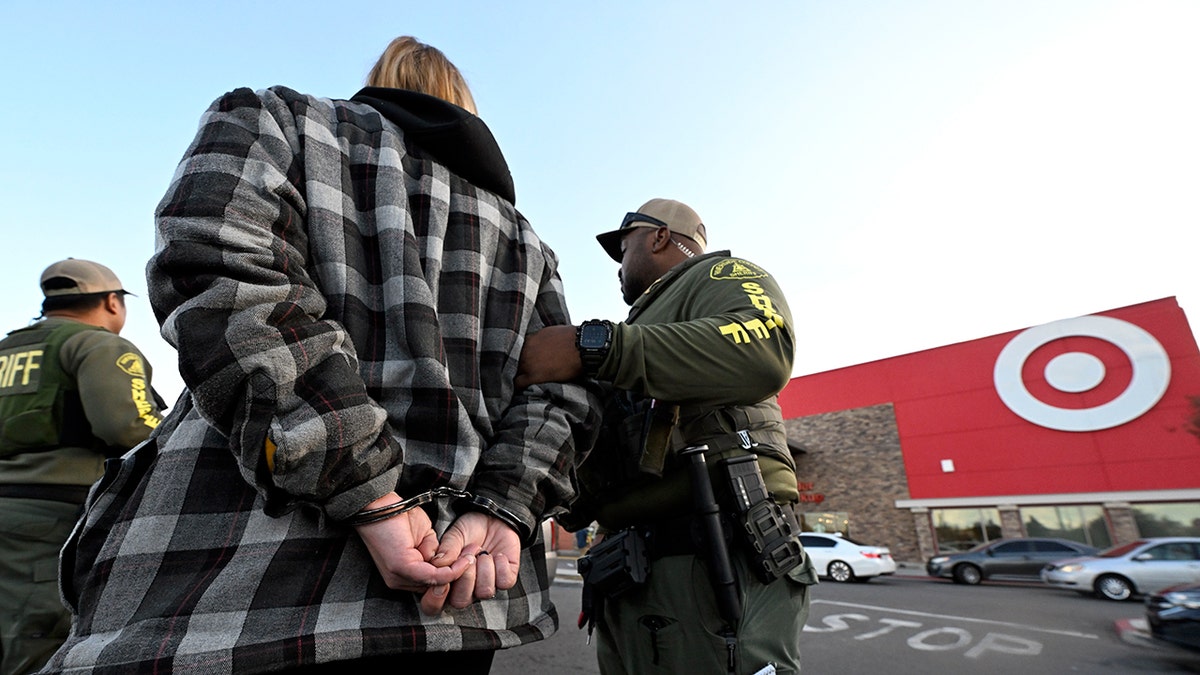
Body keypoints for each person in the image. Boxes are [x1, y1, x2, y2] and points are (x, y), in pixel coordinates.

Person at [41, 36, 597, 674]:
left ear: (380, 83)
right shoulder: (528, 243)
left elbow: (219, 271)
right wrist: (503, 507)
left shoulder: (277, 120)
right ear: (466, 108)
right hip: (463, 596)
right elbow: (561, 388)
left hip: (239, 589)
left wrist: (368, 492)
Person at [516, 199, 818, 675]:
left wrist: (594, 347)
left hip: (711, 558)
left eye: (625, 245)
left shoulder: (718, 276)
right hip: (627, 571)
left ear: (658, 237)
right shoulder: (644, 324)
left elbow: (765, 350)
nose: (619, 264)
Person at [0, 259, 164, 675]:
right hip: (54, 519)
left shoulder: (6, 350)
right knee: (40, 636)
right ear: (112, 302)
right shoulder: (98, 345)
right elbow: (128, 427)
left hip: (8, 509)